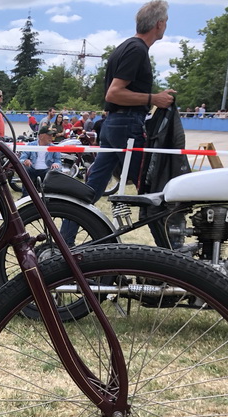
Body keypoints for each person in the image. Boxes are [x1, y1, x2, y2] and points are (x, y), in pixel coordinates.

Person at [63, 0, 175, 243]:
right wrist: (154, 98)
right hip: (127, 126)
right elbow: (113, 94)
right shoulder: (136, 50)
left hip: (114, 125)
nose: (166, 26)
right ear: (159, 24)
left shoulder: (125, 47)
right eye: (166, 22)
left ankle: (64, 242)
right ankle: (170, 250)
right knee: (150, 190)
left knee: (90, 191)